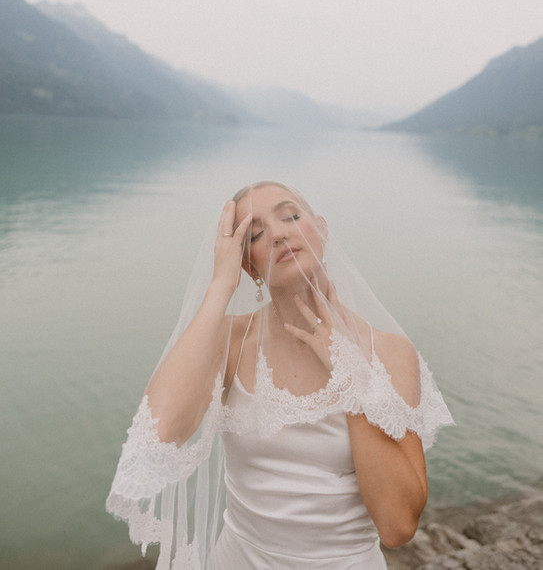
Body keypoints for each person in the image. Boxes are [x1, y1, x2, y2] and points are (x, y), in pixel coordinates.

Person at [107, 182, 453, 569]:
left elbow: (397, 526)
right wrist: (221, 284)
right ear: (249, 265)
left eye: (290, 216)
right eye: (255, 234)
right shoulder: (232, 341)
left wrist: (350, 373)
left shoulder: (390, 353)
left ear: (321, 229)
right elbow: (160, 429)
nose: (278, 233)